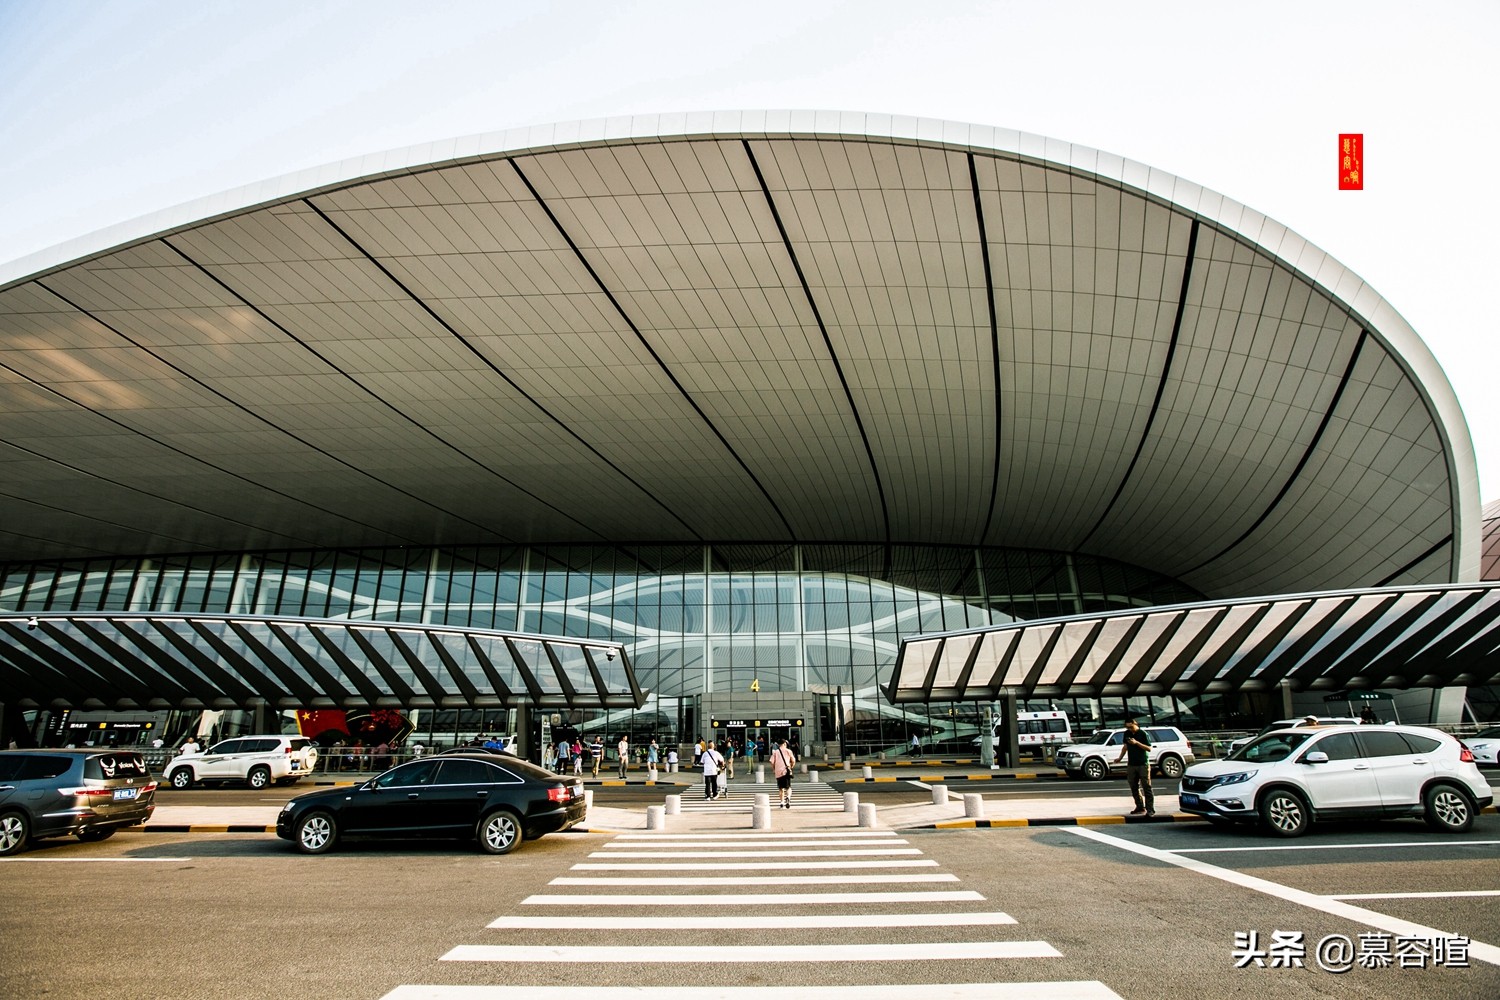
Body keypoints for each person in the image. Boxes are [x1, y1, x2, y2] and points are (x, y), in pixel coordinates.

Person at [1113, 720, 1154, 816]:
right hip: (1131, 764)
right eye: (1128, 727)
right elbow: (1125, 747)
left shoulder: (1143, 734)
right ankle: (1140, 806)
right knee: (1134, 786)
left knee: (1146, 786)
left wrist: (1136, 743)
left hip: (1143, 763)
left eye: (1131, 727)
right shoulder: (1127, 733)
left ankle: (1150, 809)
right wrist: (1120, 758)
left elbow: (1149, 748)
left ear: (1136, 725)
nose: (1130, 729)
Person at [772, 739, 797, 808]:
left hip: (778, 772)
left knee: (780, 788)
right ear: (784, 743)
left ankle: (782, 802)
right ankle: (788, 797)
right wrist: (791, 767)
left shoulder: (775, 752)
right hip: (786, 771)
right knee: (788, 787)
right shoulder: (788, 751)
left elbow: (772, 762)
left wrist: (774, 769)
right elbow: (793, 760)